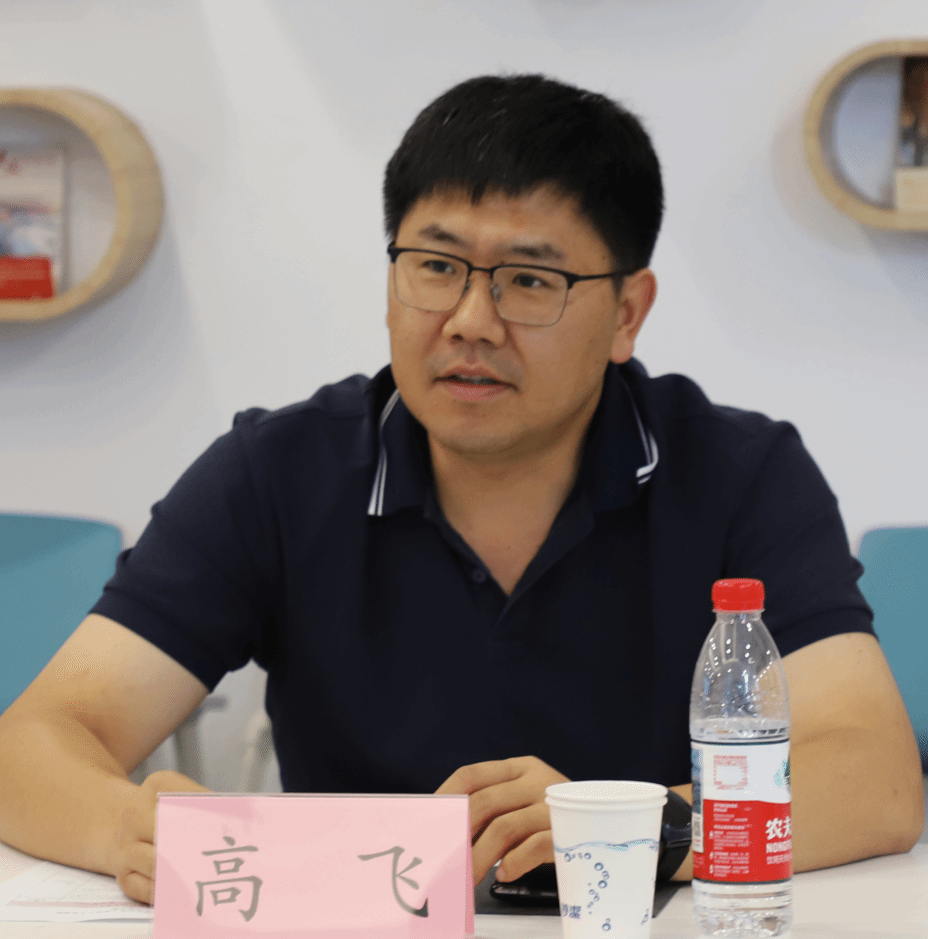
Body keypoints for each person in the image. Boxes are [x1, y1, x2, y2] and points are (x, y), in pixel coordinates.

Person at [0, 74, 922, 906]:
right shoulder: (276, 472)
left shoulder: (739, 473)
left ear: (627, 313)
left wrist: (636, 826)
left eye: (530, 279)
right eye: (437, 267)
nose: (471, 321)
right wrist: (124, 826)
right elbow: (37, 739)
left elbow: (875, 776)